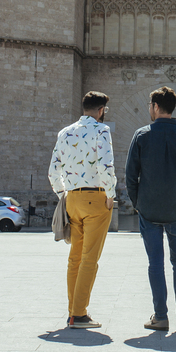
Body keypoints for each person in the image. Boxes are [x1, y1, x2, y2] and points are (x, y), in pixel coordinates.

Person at [125, 86, 176, 332]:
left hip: (149, 210)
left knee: (155, 263)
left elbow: (130, 175)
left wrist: (139, 203)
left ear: (156, 107)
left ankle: (160, 316)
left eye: (150, 105)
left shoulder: (141, 135)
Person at [48, 91, 116, 329]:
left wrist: (63, 194)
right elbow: (105, 164)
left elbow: (52, 171)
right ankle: (79, 314)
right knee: (90, 259)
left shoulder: (64, 132)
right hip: (95, 199)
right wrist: (110, 195)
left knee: (75, 258)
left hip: (72, 199)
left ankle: (72, 312)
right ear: (101, 111)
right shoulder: (101, 130)